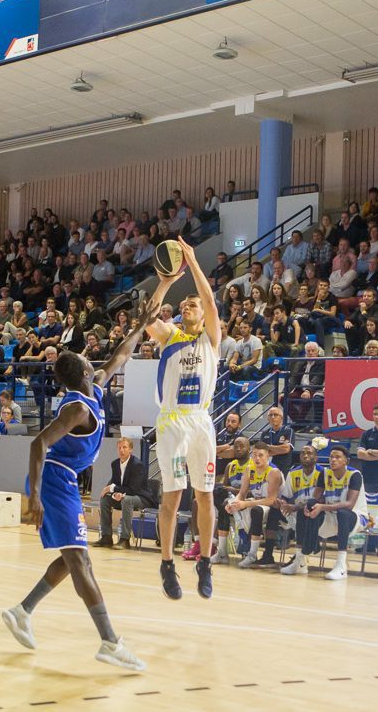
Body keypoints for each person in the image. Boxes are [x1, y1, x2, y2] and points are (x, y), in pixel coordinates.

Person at [1, 297, 157, 672]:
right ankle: (110, 642)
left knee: (73, 558)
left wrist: (140, 326)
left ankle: (22, 611)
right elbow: (39, 443)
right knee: (81, 560)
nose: (94, 361)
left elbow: (120, 355)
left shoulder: (95, 391)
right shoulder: (77, 408)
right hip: (54, 481)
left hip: (65, 481)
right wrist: (35, 495)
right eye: (89, 360)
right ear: (85, 370)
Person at [145, 236, 222, 600]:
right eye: (185, 303)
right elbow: (147, 317)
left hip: (201, 421)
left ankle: (205, 563)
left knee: (204, 497)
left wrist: (192, 262)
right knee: (172, 499)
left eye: (194, 303)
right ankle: (166, 564)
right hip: (173, 421)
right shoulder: (170, 335)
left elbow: (209, 300)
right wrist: (166, 281)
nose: (189, 304)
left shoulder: (211, 338)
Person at [280, 445, 368, 580]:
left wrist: (321, 507)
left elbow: (349, 505)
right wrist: (307, 507)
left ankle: (341, 566)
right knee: (307, 508)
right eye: (331, 457)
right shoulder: (325, 473)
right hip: (332, 516)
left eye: (338, 457)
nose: (333, 460)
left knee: (343, 513)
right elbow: (315, 499)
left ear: (346, 461)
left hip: (355, 518)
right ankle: (301, 561)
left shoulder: (355, 475)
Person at [221, 442, 286, 568]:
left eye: (260, 455)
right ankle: (221, 552)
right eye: (254, 454)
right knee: (226, 506)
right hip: (258, 503)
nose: (256, 458)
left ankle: (251, 554)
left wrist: (245, 503)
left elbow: (271, 500)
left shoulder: (274, 472)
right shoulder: (249, 470)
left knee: (256, 510)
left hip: (277, 508)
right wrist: (234, 503)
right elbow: (242, 493)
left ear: (268, 456)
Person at [96, 437, 154, 548]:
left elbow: (133, 490)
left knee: (127, 500)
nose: (121, 450)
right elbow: (114, 483)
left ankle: (124, 539)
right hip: (125, 496)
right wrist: (114, 494)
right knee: (105, 499)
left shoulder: (137, 465)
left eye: (125, 447)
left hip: (141, 498)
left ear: (130, 449)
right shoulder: (115, 464)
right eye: (119, 448)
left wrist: (115, 490)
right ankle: (106, 537)